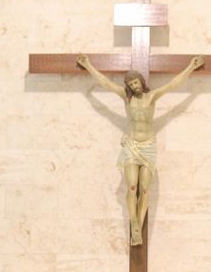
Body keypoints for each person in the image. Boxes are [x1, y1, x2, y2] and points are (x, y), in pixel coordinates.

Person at [77, 54, 204, 245]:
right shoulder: (125, 98)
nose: (135, 86)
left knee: (145, 189)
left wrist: (190, 67)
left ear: (141, 82)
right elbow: (104, 82)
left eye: (137, 83)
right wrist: (87, 65)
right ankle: (134, 222)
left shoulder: (151, 96)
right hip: (132, 145)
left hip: (149, 146)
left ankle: (138, 228)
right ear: (128, 86)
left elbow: (173, 84)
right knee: (132, 186)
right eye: (132, 84)